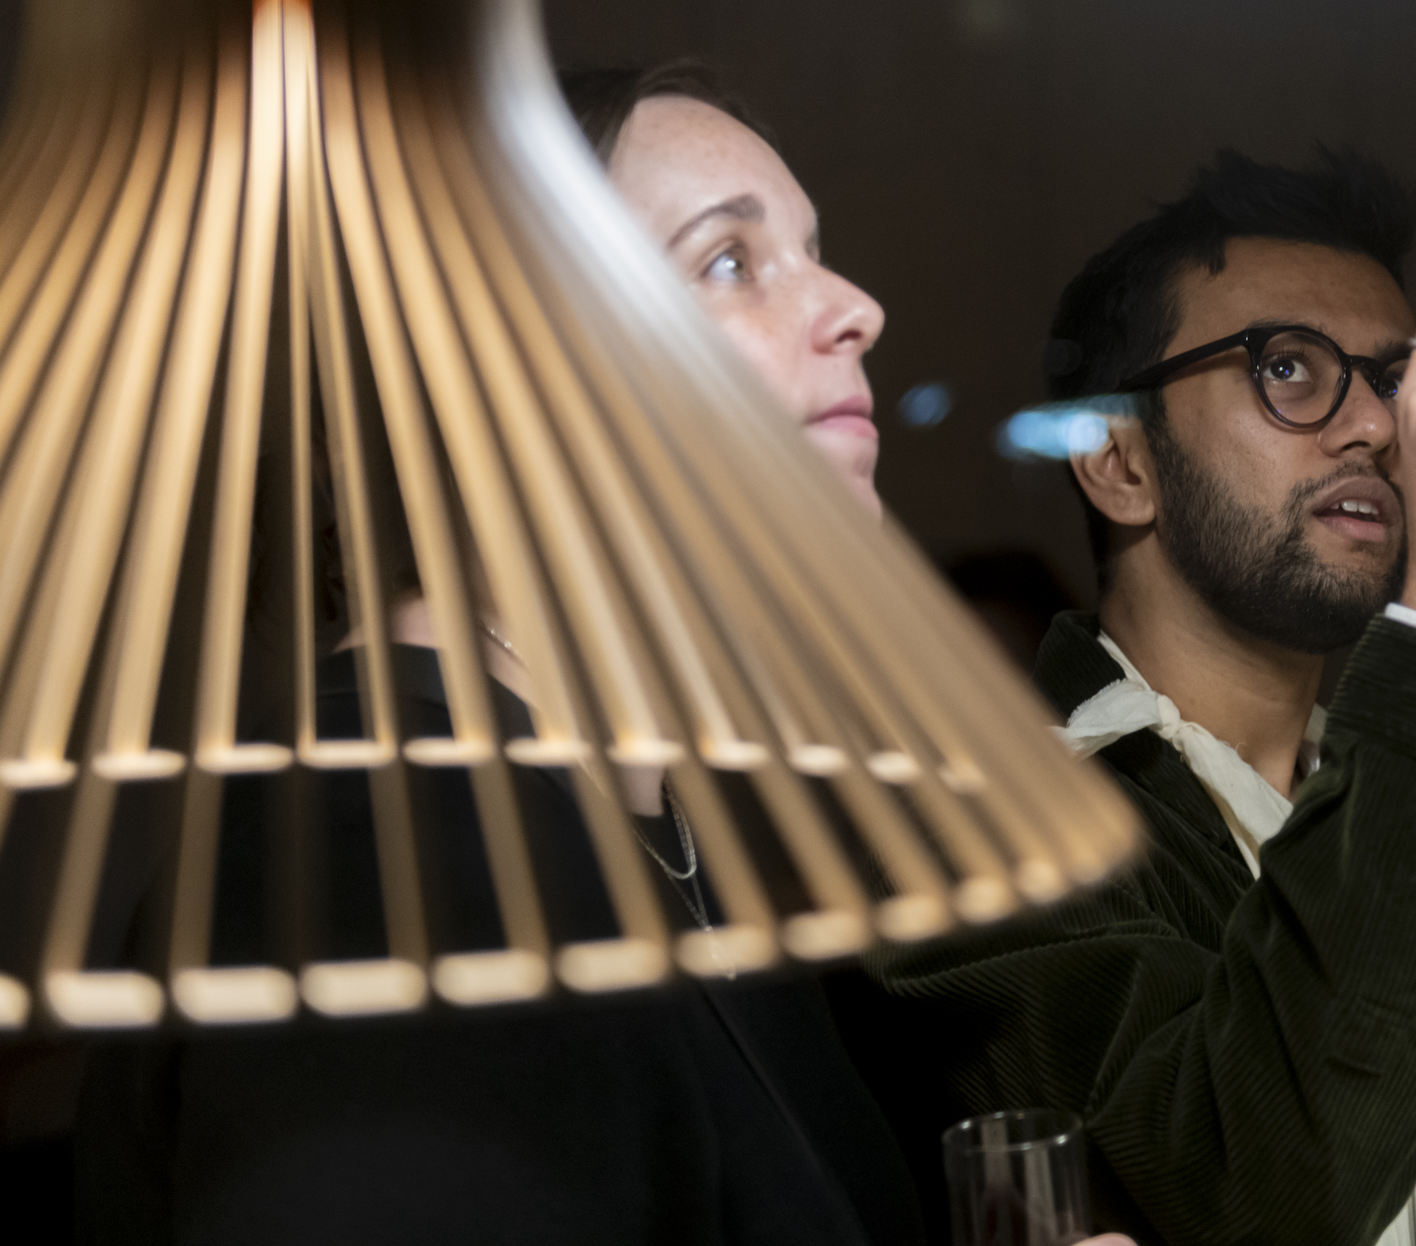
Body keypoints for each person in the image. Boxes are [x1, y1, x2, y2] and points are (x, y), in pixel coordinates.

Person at [76, 62, 1128, 1246]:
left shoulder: (658, 838)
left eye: (812, 246)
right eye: (727, 260)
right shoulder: (394, 840)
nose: (856, 303)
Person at [839, 150, 1416, 1245]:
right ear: (1120, 460)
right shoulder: (975, 831)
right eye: (1290, 369)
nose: (1375, 428)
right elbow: (1270, 1189)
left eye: (1396, 380)